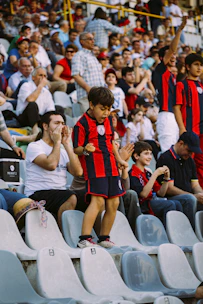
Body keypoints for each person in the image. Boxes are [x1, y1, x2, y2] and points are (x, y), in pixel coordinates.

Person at [72, 87, 128, 248]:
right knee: (97, 201)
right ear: (91, 104)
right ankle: (84, 238)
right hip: (95, 167)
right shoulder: (81, 124)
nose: (106, 113)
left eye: (108, 109)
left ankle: (104, 237)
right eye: (102, 109)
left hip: (111, 166)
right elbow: (76, 148)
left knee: (114, 203)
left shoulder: (109, 119)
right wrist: (84, 149)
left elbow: (111, 143)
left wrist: (119, 160)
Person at [24, 111, 83, 229]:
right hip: (37, 193)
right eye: (56, 123)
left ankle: (94, 238)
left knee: (92, 197)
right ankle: (64, 236)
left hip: (59, 192)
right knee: (69, 196)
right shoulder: (35, 146)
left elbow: (78, 172)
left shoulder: (62, 150)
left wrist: (66, 144)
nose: (61, 127)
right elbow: (51, 165)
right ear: (45, 126)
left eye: (62, 123)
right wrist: (57, 142)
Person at [153, 16, 187, 153]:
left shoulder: (173, 76)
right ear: (163, 58)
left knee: (174, 152)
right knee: (168, 153)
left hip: (173, 116)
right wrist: (179, 30)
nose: (173, 56)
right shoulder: (160, 70)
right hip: (166, 115)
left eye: (174, 56)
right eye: (170, 55)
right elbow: (172, 50)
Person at [129, 141, 183, 227]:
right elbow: (143, 194)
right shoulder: (132, 173)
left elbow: (161, 193)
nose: (150, 157)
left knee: (177, 203)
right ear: (136, 156)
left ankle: (180, 230)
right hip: (143, 205)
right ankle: (169, 232)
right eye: (146, 154)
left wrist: (166, 178)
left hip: (153, 201)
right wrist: (155, 174)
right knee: (170, 204)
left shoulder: (147, 173)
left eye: (150, 154)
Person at [156, 131, 203, 228]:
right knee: (190, 199)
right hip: (170, 198)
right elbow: (169, 188)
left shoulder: (190, 160)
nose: (190, 154)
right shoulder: (166, 158)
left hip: (188, 196)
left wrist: (200, 195)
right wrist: (193, 196)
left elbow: (195, 185)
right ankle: (189, 231)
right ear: (181, 143)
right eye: (189, 150)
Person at [173, 53, 203, 188]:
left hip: (202, 131)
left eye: (201, 65)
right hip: (191, 130)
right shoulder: (181, 85)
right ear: (187, 66)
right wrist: (181, 128)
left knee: (201, 163)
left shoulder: (202, 86)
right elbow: (177, 108)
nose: (199, 68)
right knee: (189, 163)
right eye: (196, 64)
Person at [71, 32, 104, 114]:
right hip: (87, 97)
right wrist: (89, 89)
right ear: (82, 41)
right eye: (90, 39)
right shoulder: (79, 55)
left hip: (99, 97)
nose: (93, 41)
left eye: (93, 39)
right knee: (88, 124)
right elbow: (76, 75)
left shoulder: (93, 56)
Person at [16, 67, 55, 134]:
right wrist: (40, 86)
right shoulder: (26, 86)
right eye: (40, 75)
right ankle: (35, 131)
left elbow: (50, 110)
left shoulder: (46, 92)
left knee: (58, 110)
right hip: (24, 117)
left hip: (39, 117)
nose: (43, 78)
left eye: (45, 76)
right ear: (33, 77)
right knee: (32, 104)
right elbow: (31, 99)